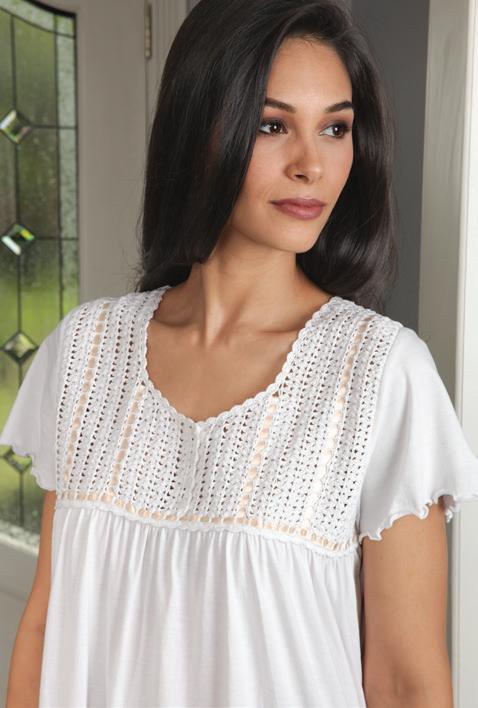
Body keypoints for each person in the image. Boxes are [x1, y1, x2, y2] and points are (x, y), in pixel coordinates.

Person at [2, 0, 478, 706]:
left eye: (336, 128)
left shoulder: (381, 374)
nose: (311, 165)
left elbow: (407, 682)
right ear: (199, 127)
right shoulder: (86, 353)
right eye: (271, 124)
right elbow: (45, 627)